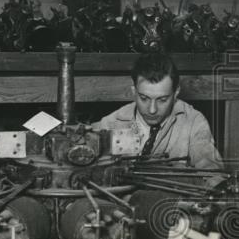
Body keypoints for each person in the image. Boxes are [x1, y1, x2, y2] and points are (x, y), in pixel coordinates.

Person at [93, 53, 224, 170]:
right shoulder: (112, 122)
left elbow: (210, 167)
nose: (152, 110)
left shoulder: (193, 121)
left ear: (176, 92)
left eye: (162, 99)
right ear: (134, 91)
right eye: (144, 98)